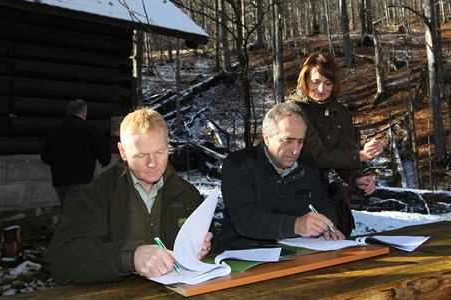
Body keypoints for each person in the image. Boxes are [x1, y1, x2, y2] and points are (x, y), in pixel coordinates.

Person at [44, 107, 212, 284]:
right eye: (141, 155)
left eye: (160, 152)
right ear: (123, 152)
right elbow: (61, 262)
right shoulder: (96, 195)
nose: (152, 163)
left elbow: (210, 248)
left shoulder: (187, 194)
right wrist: (129, 258)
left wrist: (198, 251)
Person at [219, 102, 345, 251]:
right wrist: (296, 225)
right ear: (266, 137)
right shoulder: (238, 165)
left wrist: (327, 226)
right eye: (288, 140)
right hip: (243, 254)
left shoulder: (307, 166)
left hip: (296, 253)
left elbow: (323, 205)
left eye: (300, 141)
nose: (295, 150)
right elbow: (245, 220)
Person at [287, 53, 385, 236]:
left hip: (321, 191)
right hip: (287, 192)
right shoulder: (293, 111)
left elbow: (344, 154)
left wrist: (357, 178)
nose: (321, 88)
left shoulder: (341, 113)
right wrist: (360, 155)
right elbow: (317, 158)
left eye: (328, 83)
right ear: (305, 80)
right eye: (315, 82)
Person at [41, 99, 112, 209]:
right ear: (84, 113)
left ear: (68, 113)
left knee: (68, 211)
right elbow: (104, 153)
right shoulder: (89, 131)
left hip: (59, 181)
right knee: (74, 216)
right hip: (80, 180)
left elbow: (45, 157)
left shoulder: (55, 131)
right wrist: (104, 161)